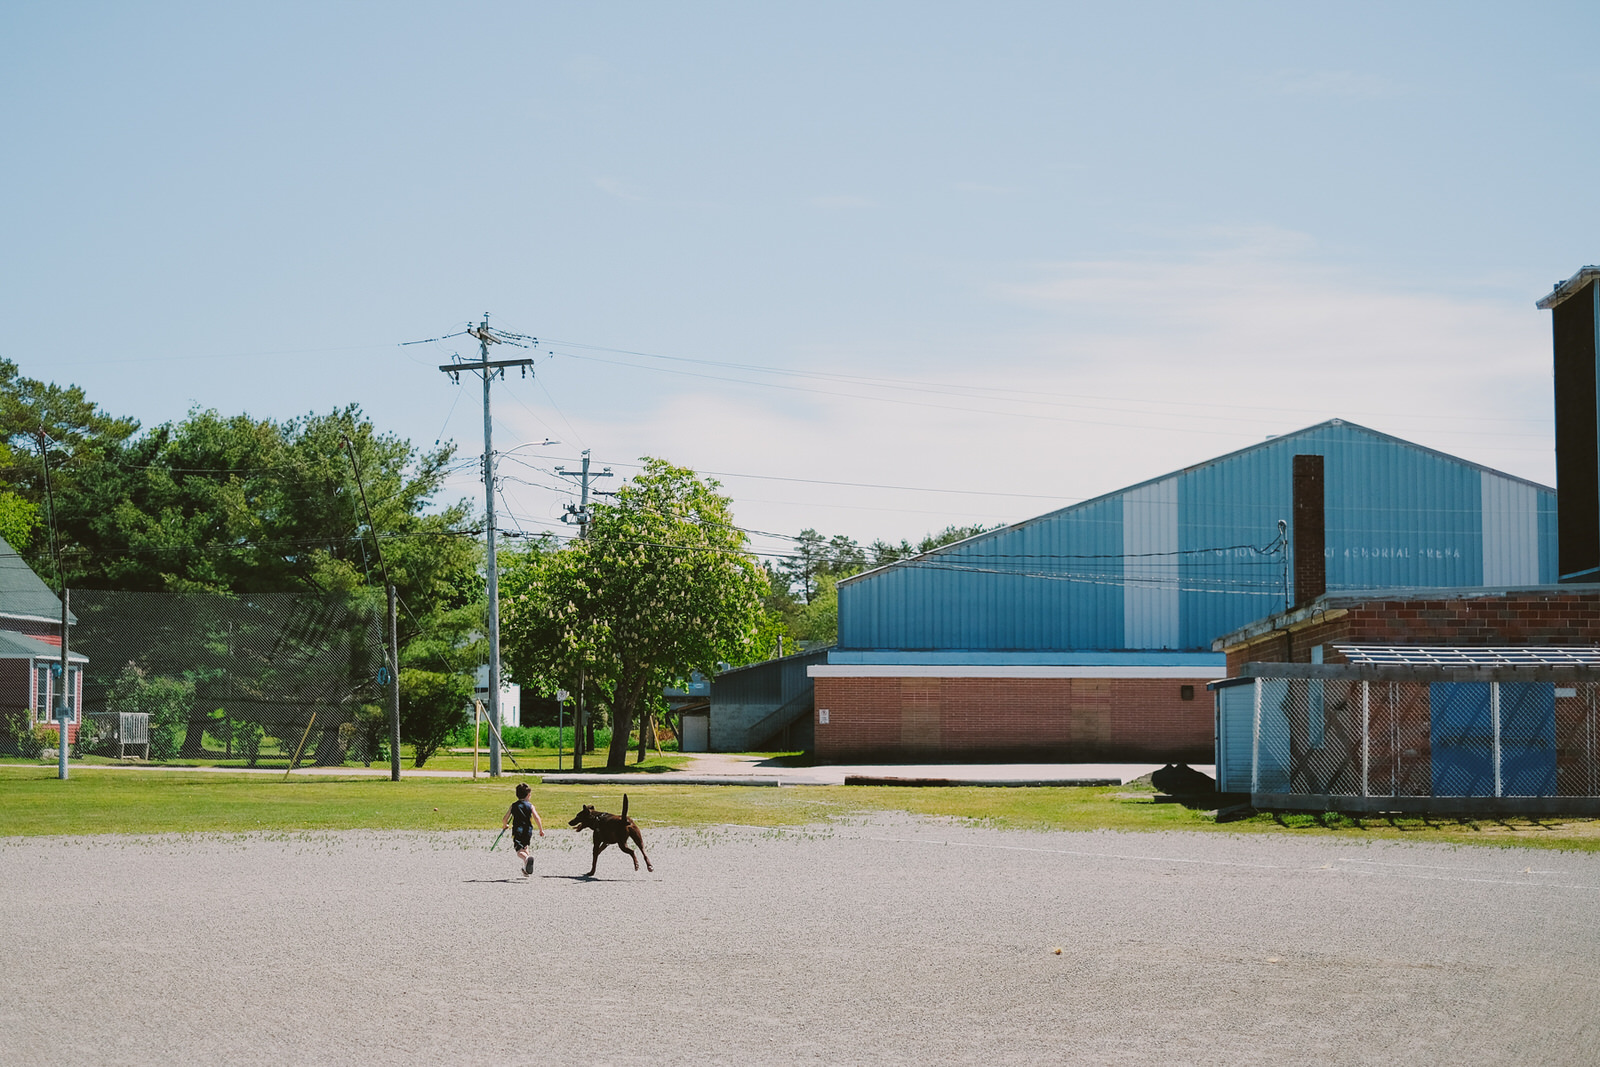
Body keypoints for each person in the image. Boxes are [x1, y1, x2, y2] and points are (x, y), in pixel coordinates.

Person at [502, 782, 544, 876]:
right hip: (528, 830)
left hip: (518, 830)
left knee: (519, 851)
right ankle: (526, 868)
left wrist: (505, 825)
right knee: (525, 847)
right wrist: (541, 829)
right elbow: (537, 817)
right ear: (528, 795)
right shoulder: (530, 806)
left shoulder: (514, 805)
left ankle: (526, 859)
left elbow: (505, 819)